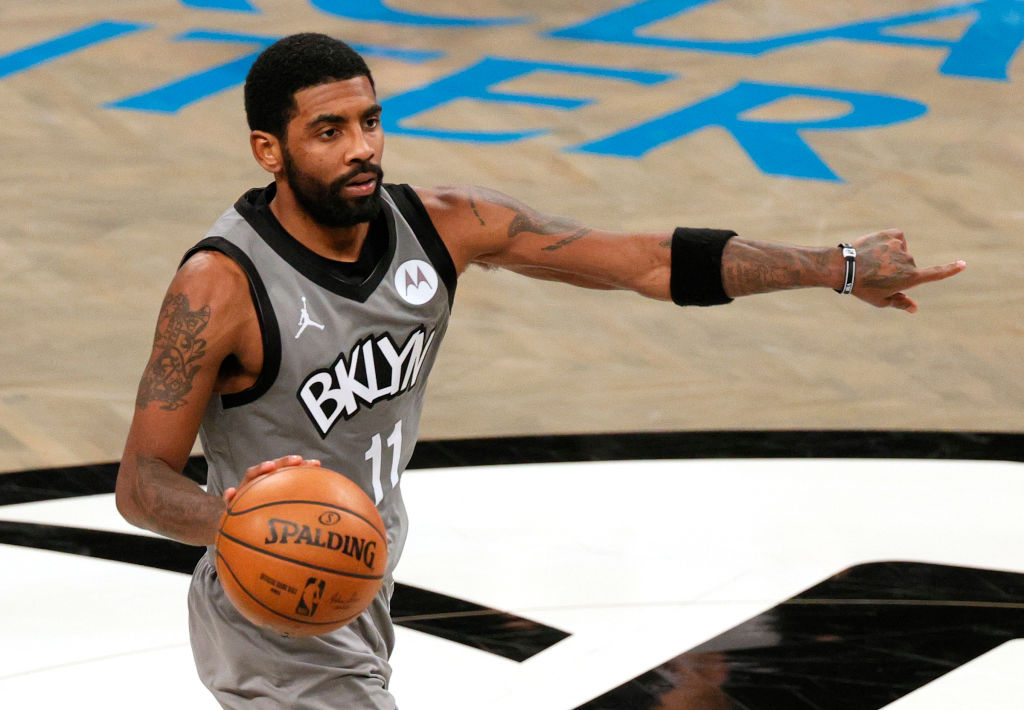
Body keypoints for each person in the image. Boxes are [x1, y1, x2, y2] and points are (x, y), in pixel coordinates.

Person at [114, 32, 965, 710]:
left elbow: (645, 262)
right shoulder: (219, 286)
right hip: (272, 605)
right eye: (328, 132)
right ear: (270, 149)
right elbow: (141, 480)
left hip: (358, 574)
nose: (361, 148)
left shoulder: (443, 226)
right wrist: (232, 523)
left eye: (370, 121)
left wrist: (836, 266)